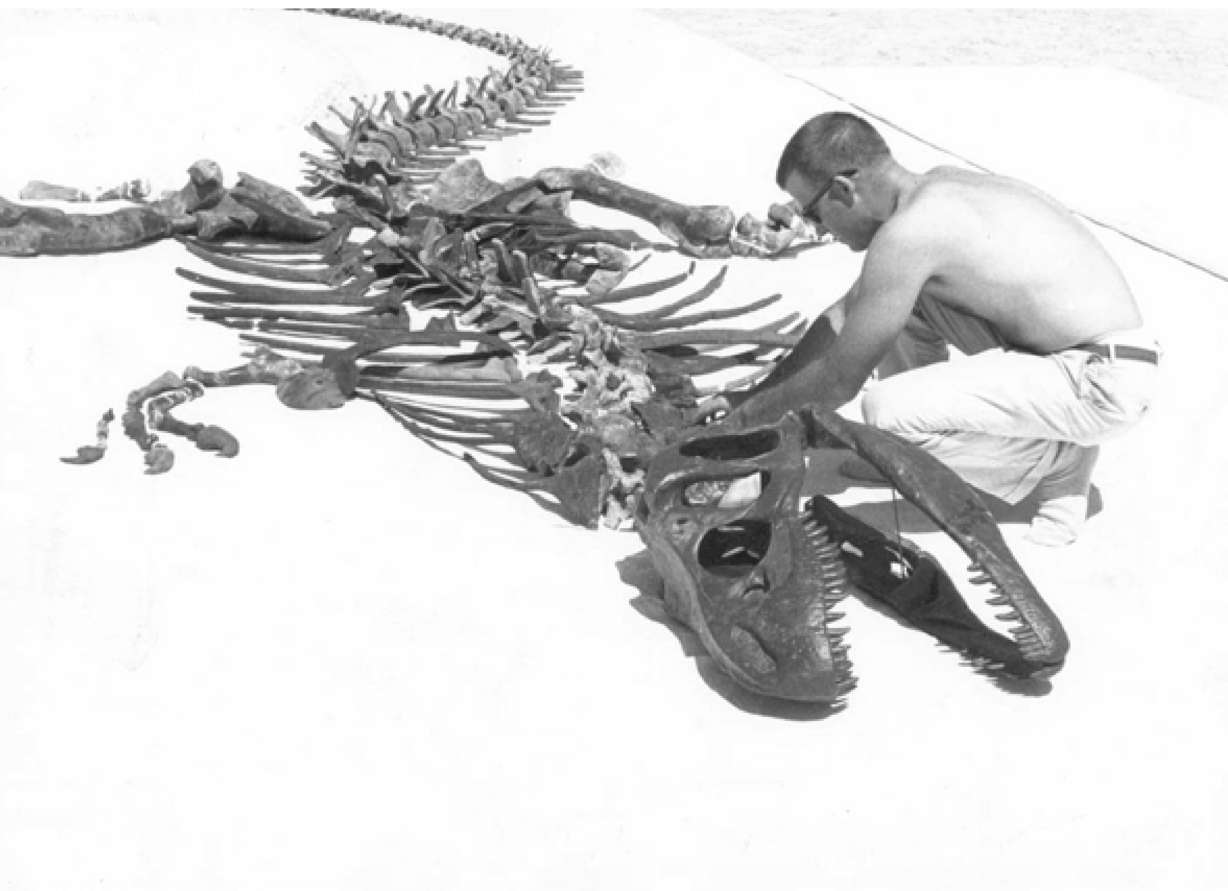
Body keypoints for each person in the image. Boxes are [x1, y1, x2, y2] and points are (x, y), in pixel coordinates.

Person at [696, 111, 1159, 546]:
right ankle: (908, 455)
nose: (815, 228)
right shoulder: (932, 190)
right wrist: (750, 398)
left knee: (885, 410)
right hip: (1081, 359)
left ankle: (1056, 464)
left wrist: (742, 425)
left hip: (1103, 382)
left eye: (812, 213)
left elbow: (839, 380)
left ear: (842, 191)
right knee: (898, 303)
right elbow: (844, 319)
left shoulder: (910, 233)